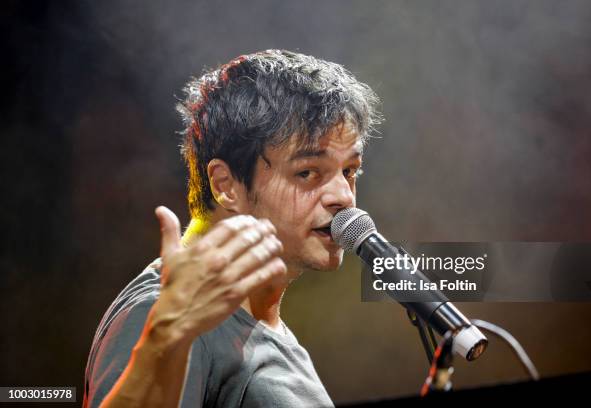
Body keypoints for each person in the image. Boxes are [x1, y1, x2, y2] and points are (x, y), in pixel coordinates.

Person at [83, 49, 381, 407]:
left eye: (350, 171)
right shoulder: (164, 313)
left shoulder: (259, 324)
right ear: (226, 185)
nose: (343, 196)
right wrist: (165, 341)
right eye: (307, 172)